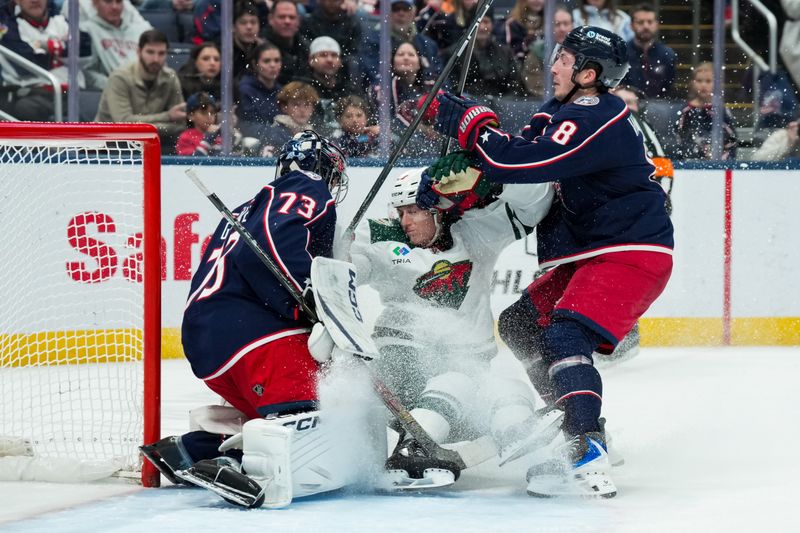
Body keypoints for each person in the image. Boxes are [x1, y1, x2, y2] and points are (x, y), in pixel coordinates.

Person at [425, 25, 674, 498]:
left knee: (565, 332)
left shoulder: (598, 111)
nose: (554, 64)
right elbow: (510, 164)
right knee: (521, 323)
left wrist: (473, 124)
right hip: (591, 253)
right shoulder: (557, 112)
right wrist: (461, 148)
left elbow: (523, 163)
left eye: (564, 57)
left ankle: (585, 440)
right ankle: (573, 415)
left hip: (630, 251)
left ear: (588, 73)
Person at [141, 130, 351, 508]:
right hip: (257, 339)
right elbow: (266, 251)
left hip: (210, 345)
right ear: (325, 170)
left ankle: (194, 450)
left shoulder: (249, 206)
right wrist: (306, 298)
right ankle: (244, 466)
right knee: (323, 429)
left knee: (280, 419)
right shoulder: (306, 186)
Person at [344, 162, 554, 487]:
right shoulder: (382, 235)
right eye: (400, 211)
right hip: (399, 364)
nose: (405, 221)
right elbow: (343, 270)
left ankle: (525, 441)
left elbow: (538, 202)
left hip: (462, 374)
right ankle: (414, 447)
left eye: (414, 210)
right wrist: (339, 253)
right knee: (457, 381)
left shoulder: (475, 232)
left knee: (509, 390)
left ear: (438, 208)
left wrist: (491, 178)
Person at [95, 29, 186, 151]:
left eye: (161, 53)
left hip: (151, 143)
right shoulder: (120, 77)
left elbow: (179, 125)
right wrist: (167, 116)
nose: (155, 59)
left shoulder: (170, 77)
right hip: (109, 145)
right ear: (138, 52)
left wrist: (145, 127)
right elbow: (124, 124)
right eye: (150, 52)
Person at [80, 0, 153, 90]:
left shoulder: (140, 30)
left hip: (147, 89)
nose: (115, 7)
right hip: (111, 92)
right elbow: (86, 72)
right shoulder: (86, 30)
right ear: (95, 4)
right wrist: (114, 86)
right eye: (108, 2)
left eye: (118, 2)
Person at [675, 62, 738, 160]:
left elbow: (732, 139)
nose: (703, 85)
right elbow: (679, 139)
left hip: (719, 162)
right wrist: (694, 152)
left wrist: (722, 157)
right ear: (693, 83)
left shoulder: (721, 110)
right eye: (699, 81)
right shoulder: (686, 110)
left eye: (708, 81)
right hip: (690, 163)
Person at [621, 3, 676, 99]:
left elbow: (668, 89)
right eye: (640, 22)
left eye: (650, 22)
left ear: (656, 24)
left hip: (659, 107)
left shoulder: (667, 55)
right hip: (628, 105)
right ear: (631, 25)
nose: (646, 26)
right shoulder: (621, 53)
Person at [236, 41, 283, 139]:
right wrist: (278, 133)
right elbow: (246, 125)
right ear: (255, 64)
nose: (273, 65)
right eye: (266, 61)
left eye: (277, 60)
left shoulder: (282, 91)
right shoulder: (244, 90)